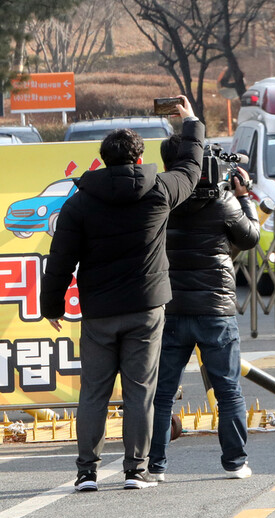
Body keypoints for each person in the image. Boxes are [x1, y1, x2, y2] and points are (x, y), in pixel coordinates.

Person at [40, 95, 204, 491]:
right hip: (146, 308)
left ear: (102, 159)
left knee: (94, 392)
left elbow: (61, 257)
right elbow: (191, 167)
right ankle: (135, 470)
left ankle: (86, 473)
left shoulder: (80, 202)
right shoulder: (160, 190)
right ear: (138, 156)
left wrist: (52, 303)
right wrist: (190, 122)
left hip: (98, 310)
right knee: (140, 390)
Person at [148, 143, 260, 481]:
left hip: (171, 308)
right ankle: (235, 463)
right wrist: (244, 197)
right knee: (228, 390)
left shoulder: (162, 198)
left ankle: (154, 466)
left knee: (162, 392)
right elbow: (251, 237)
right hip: (216, 310)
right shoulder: (223, 201)